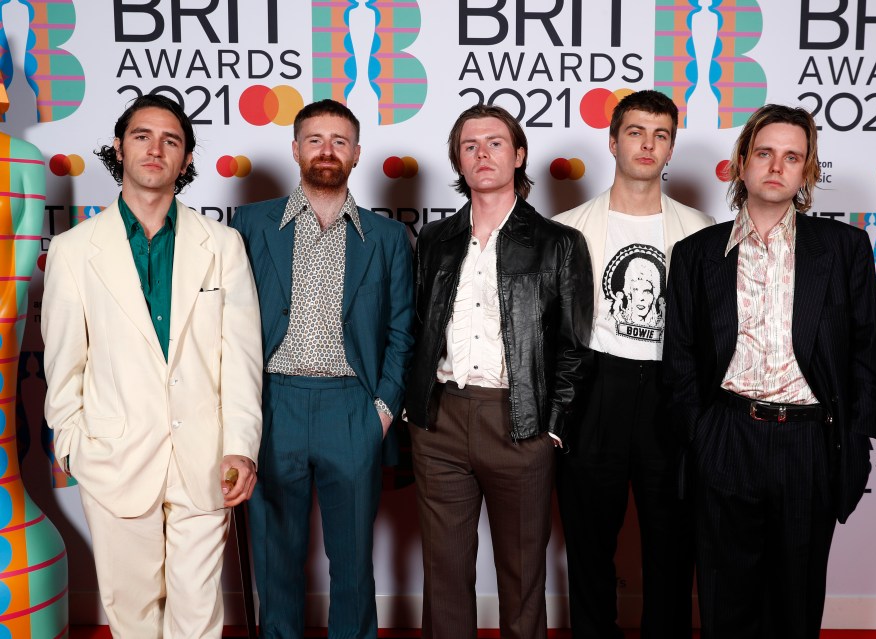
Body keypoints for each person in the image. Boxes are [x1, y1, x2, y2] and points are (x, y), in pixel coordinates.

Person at [42, 94, 263, 637]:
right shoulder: (73, 250)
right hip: (114, 460)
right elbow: (63, 364)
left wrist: (242, 444)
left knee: (199, 617)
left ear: (186, 160)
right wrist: (74, 444)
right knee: (132, 616)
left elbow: (241, 357)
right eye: (142, 135)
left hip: (208, 460)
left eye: (172, 140)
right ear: (119, 147)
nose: (155, 149)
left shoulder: (224, 245)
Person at [663, 104, 876, 638]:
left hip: (808, 442)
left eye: (792, 157)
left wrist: (853, 447)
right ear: (742, 163)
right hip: (726, 436)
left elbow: (865, 358)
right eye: (764, 153)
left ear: (807, 171)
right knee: (724, 604)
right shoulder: (695, 254)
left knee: (795, 605)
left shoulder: (844, 248)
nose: (776, 166)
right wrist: (702, 436)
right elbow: (682, 361)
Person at [405, 104, 593, 639]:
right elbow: (419, 325)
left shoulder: (560, 243)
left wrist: (551, 424)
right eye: (470, 146)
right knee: (443, 575)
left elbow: (575, 344)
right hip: (439, 420)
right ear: (459, 163)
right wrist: (414, 409)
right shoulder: (435, 240)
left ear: (519, 155)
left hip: (520, 423)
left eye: (494, 143)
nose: (482, 153)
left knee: (522, 578)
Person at [230, 99, 415, 639]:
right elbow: (229, 320)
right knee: (275, 559)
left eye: (339, 141)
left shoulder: (385, 238)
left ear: (356, 154)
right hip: (273, 402)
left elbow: (403, 330)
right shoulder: (250, 223)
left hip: (351, 408)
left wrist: (381, 411)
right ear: (295, 149)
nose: (326, 150)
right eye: (314, 139)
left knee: (353, 563)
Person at [553, 89, 713, 638]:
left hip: (671, 390)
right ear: (614, 141)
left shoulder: (702, 229)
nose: (647, 144)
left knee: (672, 539)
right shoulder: (568, 226)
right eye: (636, 132)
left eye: (661, 134)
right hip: (596, 385)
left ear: (671, 149)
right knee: (589, 537)